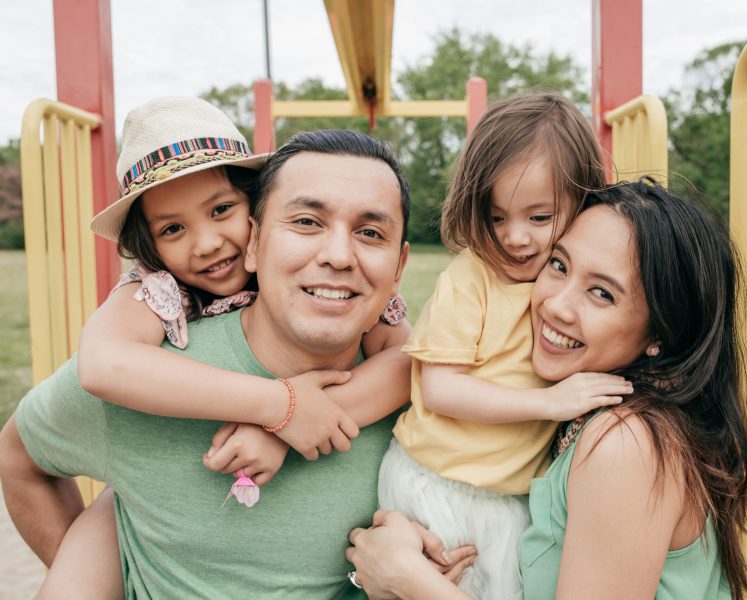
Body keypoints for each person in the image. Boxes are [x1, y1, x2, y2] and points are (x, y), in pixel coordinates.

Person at [0, 127, 432, 598]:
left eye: (370, 233)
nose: (338, 255)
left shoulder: (432, 393)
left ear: (399, 268)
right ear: (255, 241)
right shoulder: (148, 371)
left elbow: (416, 366)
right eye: (307, 222)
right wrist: (98, 578)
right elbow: (22, 453)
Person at [347, 179, 747, 599]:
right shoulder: (590, 409)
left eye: (601, 293)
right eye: (559, 265)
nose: (556, 305)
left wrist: (407, 579)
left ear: (661, 334)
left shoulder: (625, 443)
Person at [377, 92, 630, 600]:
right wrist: (549, 403)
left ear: (582, 202)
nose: (515, 238)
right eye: (498, 218)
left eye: (540, 218)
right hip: (439, 484)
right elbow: (442, 388)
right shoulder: (473, 278)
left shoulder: (562, 284)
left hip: (507, 498)